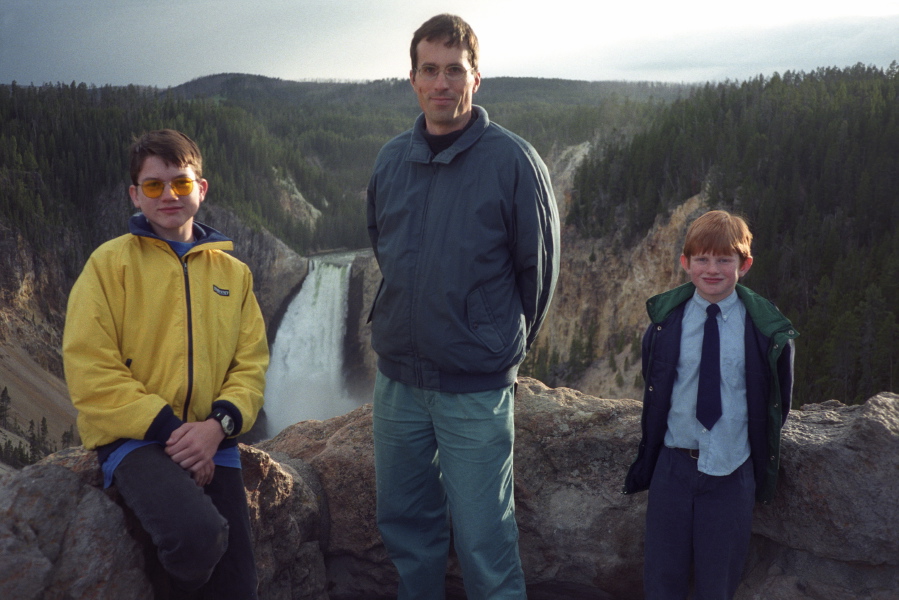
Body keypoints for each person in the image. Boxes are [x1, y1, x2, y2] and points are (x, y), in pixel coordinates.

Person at [365, 13, 560, 599]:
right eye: (431, 70)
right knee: (405, 525)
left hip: (474, 386)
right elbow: (384, 247)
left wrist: (496, 347)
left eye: (455, 70)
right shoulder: (391, 160)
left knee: (484, 537)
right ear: (413, 79)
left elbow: (539, 275)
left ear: (477, 78)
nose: (442, 83)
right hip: (398, 380)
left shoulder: (514, 163)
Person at [62, 129, 268, 599]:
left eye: (180, 182)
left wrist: (217, 425)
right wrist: (172, 432)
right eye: (153, 186)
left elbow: (250, 362)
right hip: (136, 438)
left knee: (240, 586)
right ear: (135, 194)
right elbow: (89, 367)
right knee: (198, 537)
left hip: (214, 439)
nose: (169, 195)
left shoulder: (233, 273)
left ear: (202, 188)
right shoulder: (109, 265)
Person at [622, 210, 798, 599]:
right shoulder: (666, 323)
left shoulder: (766, 332)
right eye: (701, 259)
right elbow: (657, 386)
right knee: (661, 578)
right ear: (685, 263)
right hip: (672, 467)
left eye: (724, 260)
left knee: (717, 582)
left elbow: (777, 404)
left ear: (745, 265)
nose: (712, 269)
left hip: (732, 472)